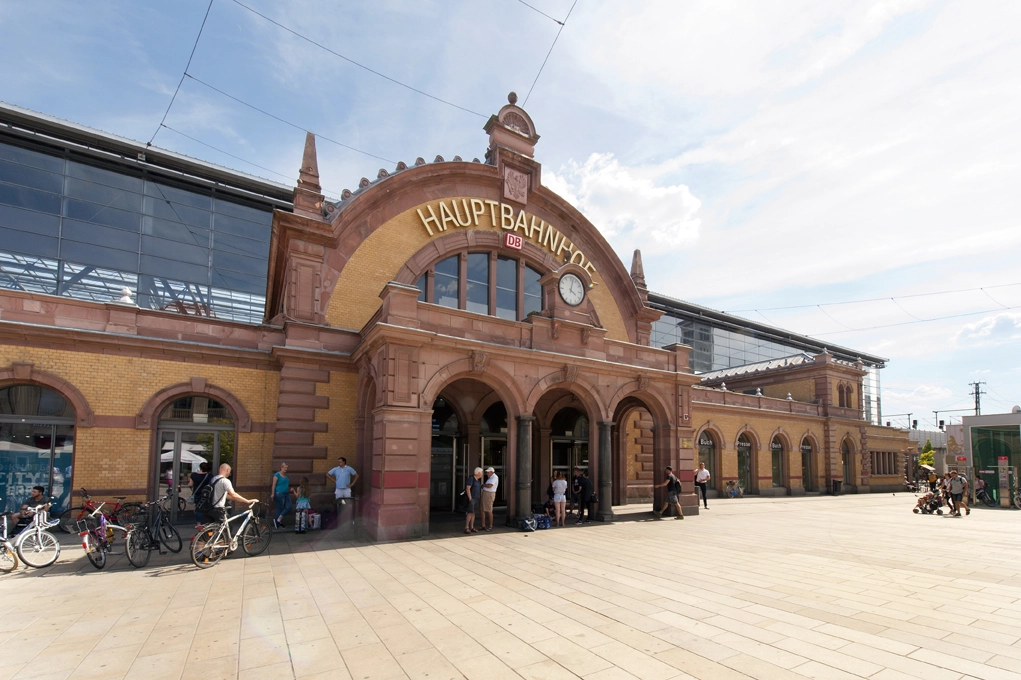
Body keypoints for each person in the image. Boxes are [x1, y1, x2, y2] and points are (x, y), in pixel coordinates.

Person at [190, 461, 213, 529]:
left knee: (198, 508)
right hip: (206, 494)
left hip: (197, 494)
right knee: (206, 508)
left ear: (200, 467)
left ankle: (198, 523)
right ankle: (206, 522)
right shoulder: (210, 476)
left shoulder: (193, 475)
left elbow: (190, 484)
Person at [272, 462, 292, 529]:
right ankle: (278, 523)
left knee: (289, 507)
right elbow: (274, 484)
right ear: (281, 467)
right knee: (279, 508)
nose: (285, 469)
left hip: (286, 493)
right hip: (279, 493)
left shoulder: (286, 475)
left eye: (287, 468)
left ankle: (278, 519)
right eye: (284, 467)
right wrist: (272, 493)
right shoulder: (277, 475)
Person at [464, 467, 482, 534]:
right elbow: (468, 488)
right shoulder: (471, 479)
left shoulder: (477, 480)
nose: (482, 474)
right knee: (470, 513)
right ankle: (466, 527)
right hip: (472, 498)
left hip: (476, 498)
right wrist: (470, 498)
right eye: (481, 473)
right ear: (478, 473)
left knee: (474, 513)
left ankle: (472, 527)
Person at [480, 466, 498, 531]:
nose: (487, 474)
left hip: (489, 494)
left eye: (488, 472)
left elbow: (490, 485)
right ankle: (483, 525)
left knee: (489, 509)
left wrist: (484, 485)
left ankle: (490, 525)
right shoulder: (490, 477)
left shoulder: (494, 477)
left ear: (491, 472)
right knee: (482, 509)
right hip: (485, 493)